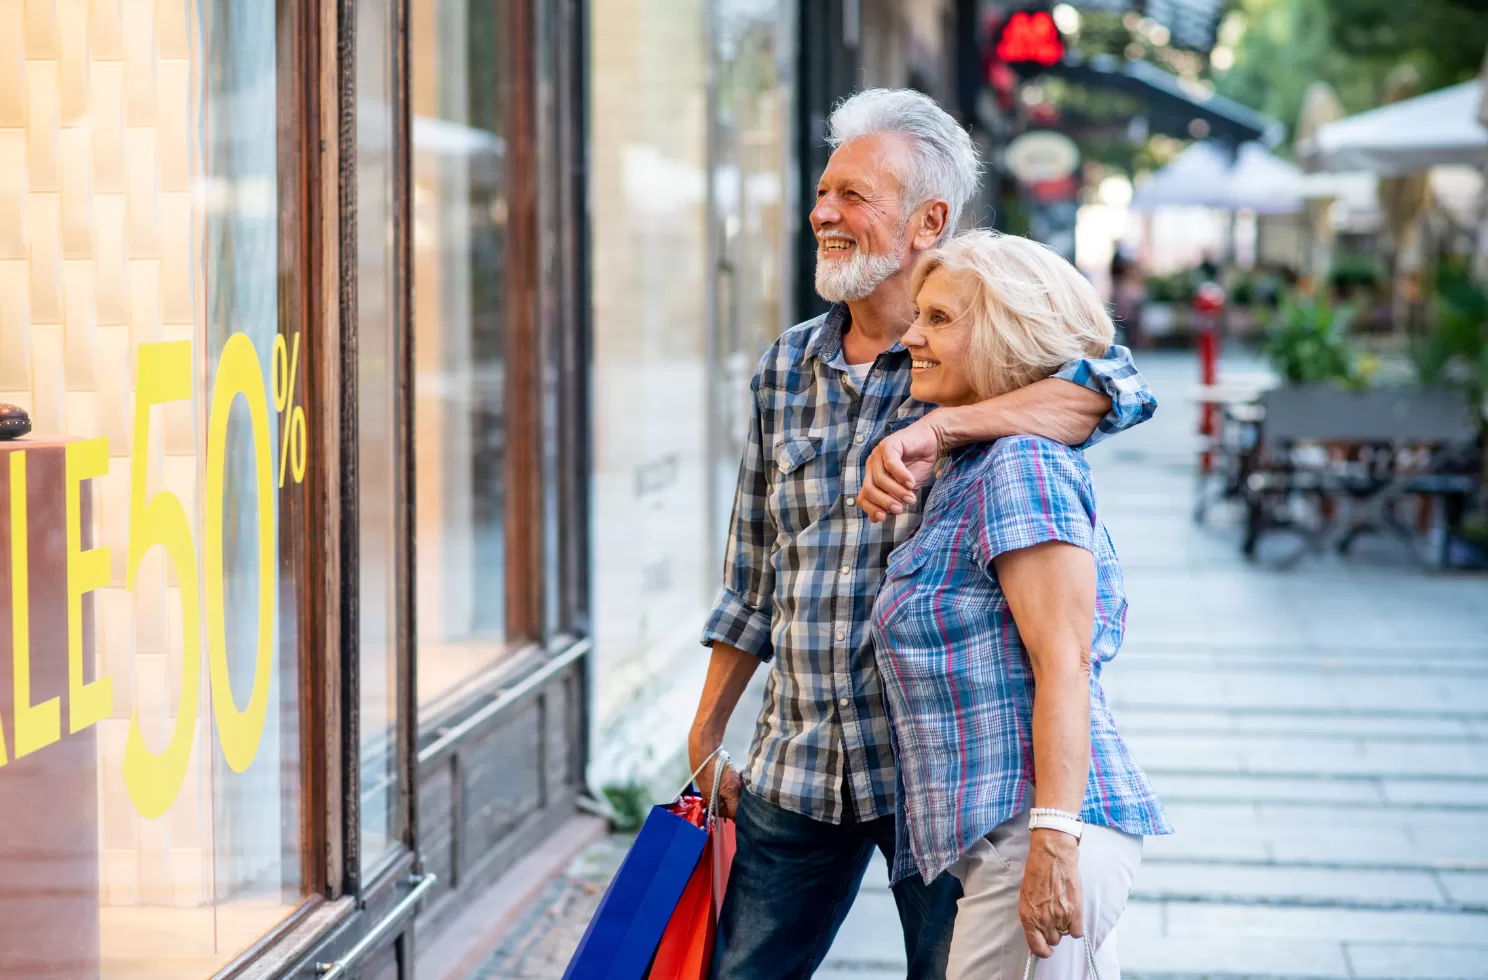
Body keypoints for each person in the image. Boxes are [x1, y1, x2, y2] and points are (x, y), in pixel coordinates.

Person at [689, 87, 1158, 980]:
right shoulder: (785, 365)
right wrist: (708, 730)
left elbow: (1121, 390)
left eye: (853, 195)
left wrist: (939, 427)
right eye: (823, 192)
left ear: (925, 221)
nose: (823, 212)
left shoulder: (973, 353)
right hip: (801, 759)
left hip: (941, 779)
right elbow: (753, 575)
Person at [869, 230, 1172, 980]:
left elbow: (1063, 665)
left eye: (939, 319)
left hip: (1037, 834)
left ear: (1005, 335)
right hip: (1015, 840)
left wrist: (1051, 843)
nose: (912, 336)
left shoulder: (1021, 466)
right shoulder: (973, 465)